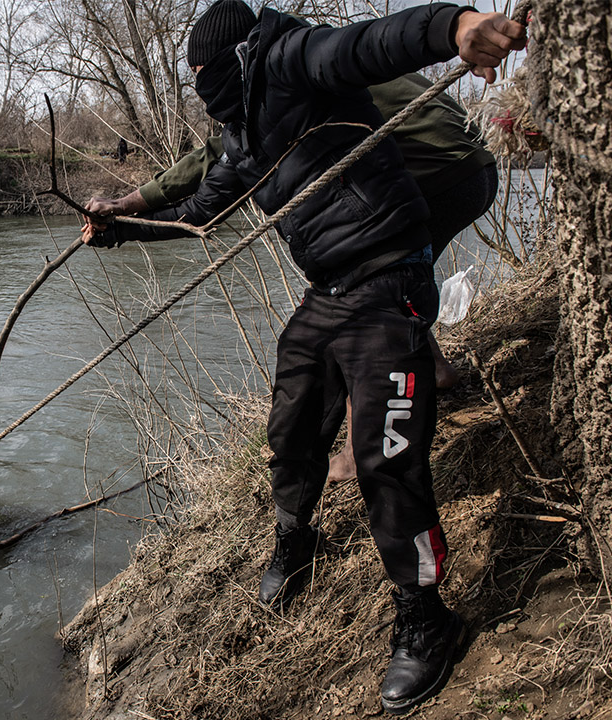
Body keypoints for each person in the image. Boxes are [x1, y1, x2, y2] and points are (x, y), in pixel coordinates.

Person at [80, 1, 524, 713]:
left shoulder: (293, 61)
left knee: (385, 457)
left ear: (233, 61)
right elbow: (201, 212)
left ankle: (424, 617)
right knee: (290, 432)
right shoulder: (244, 133)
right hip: (330, 292)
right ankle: (295, 540)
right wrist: (121, 230)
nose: (200, 88)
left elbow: (372, 43)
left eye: (202, 75)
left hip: (389, 280)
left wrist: (456, 28)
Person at [86, 70, 498, 483]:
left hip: (436, 170)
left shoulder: (281, 82)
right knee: (395, 281)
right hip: (477, 166)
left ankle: (358, 451)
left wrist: (124, 205)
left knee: (363, 295)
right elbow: (209, 184)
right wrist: (125, 217)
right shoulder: (304, 62)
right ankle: (435, 369)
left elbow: (210, 161)